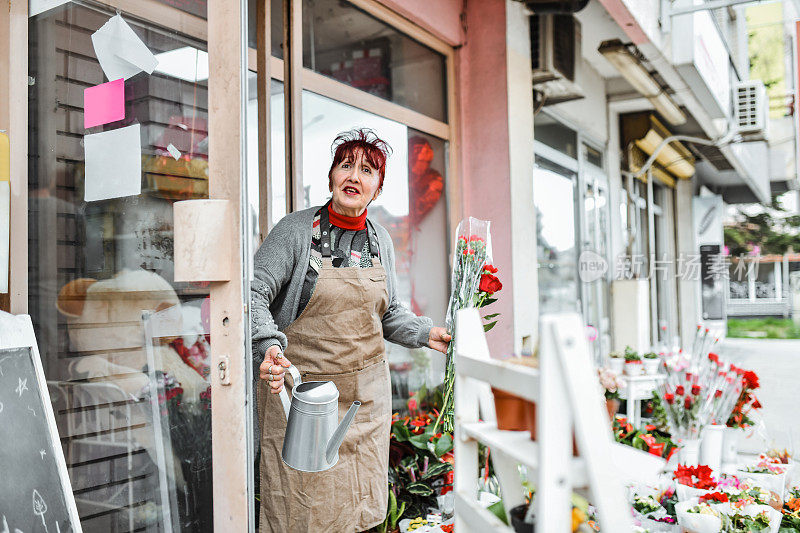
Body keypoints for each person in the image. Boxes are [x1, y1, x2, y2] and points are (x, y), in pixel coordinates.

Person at [251, 128, 451, 532]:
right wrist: (268, 345)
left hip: (364, 406)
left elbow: (389, 312)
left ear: (377, 188)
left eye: (366, 170)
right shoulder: (295, 231)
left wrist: (425, 334)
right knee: (301, 514)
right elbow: (253, 292)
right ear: (331, 177)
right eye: (346, 166)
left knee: (359, 514)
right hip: (304, 404)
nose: (354, 176)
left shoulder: (380, 241)